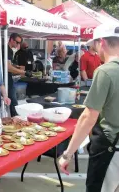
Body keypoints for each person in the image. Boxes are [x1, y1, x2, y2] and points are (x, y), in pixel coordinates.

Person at [59, 23, 119, 192]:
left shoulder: (105, 71)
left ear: (102, 43)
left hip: (110, 148)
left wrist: (67, 153)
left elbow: (88, 117)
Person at [3, 33, 32, 117]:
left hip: (7, 78)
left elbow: (9, 65)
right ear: (11, 40)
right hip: (5, 78)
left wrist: (18, 67)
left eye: (20, 43)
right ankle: (15, 121)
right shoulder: (6, 50)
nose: (18, 44)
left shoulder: (10, 50)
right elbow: (8, 67)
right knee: (13, 102)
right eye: (17, 42)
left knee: (13, 101)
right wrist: (24, 72)